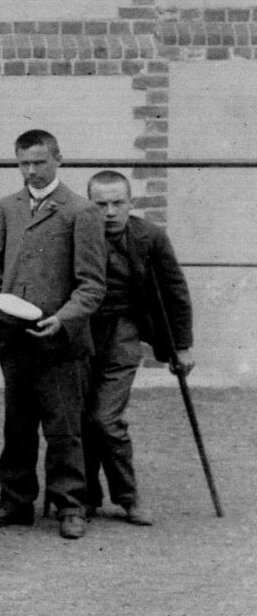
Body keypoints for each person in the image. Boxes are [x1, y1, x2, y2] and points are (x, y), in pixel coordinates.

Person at [0, 128, 107, 539]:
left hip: (60, 341)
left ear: (57, 160)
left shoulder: (81, 211)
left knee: (63, 425)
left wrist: (63, 319)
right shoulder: (8, 207)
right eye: (23, 163)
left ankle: (70, 504)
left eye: (39, 162)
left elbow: (92, 285)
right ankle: (15, 501)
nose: (31, 171)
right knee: (16, 424)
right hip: (13, 338)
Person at [83, 170, 193, 526]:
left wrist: (182, 346)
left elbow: (175, 291)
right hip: (82, 332)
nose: (110, 212)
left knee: (105, 418)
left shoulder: (150, 237)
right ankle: (86, 496)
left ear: (131, 203)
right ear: (90, 205)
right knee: (83, 418)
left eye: (118, 203)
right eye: (101, 204)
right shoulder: (78, 233)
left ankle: (128, 498)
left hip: (124, 331)